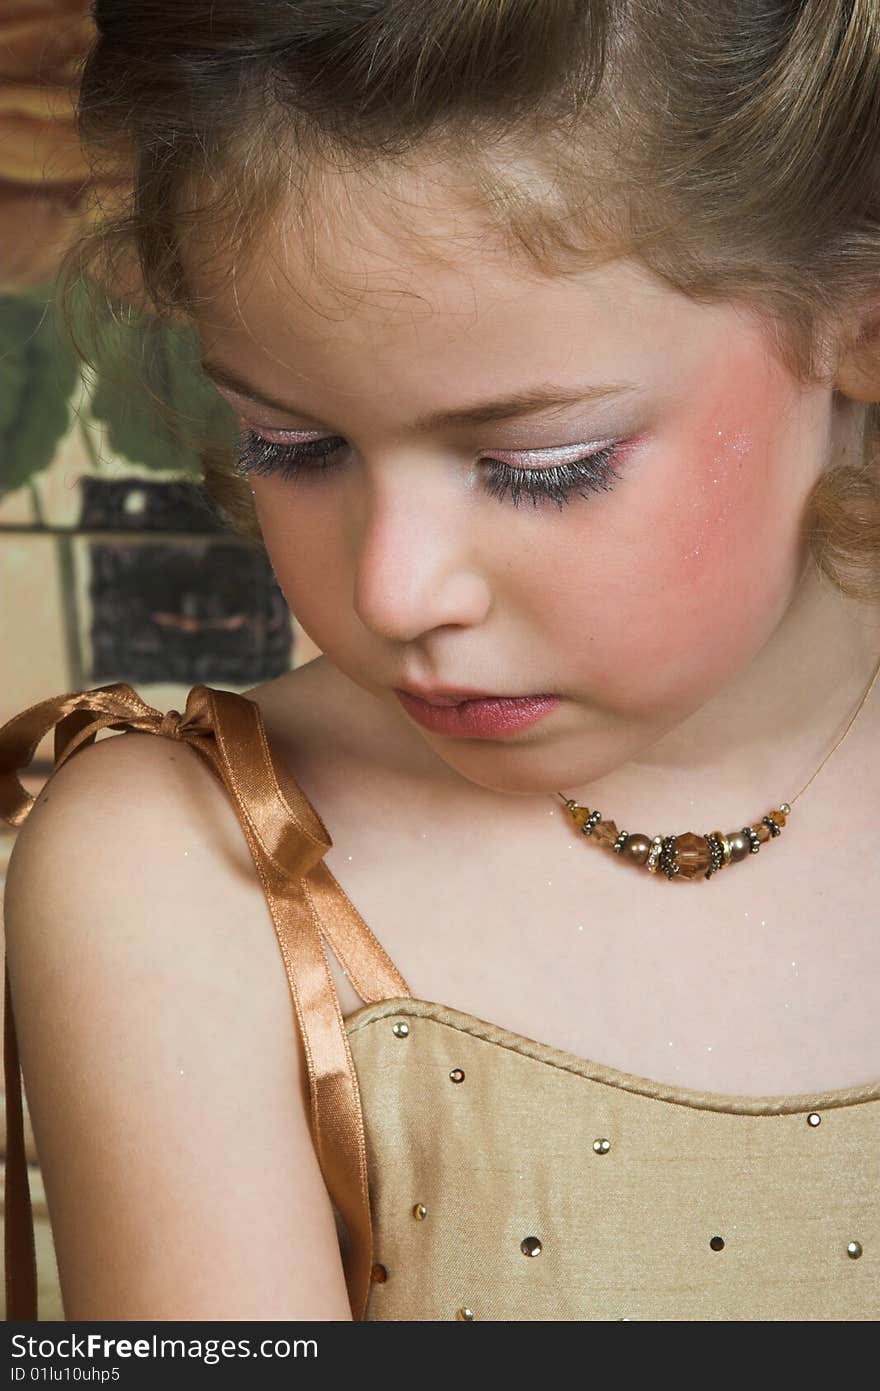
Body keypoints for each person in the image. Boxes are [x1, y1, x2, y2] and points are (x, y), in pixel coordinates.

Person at [2, 0, 879, 1323]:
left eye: (541, 466)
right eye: (291, 446)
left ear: (859, 328)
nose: (393, 590)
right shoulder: (198, 869)